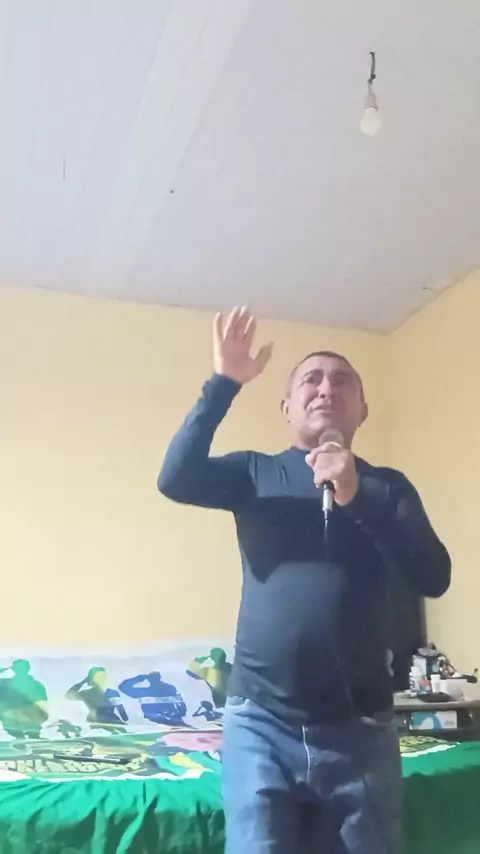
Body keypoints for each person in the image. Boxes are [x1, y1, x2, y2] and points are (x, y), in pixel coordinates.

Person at [157, 306, 451, 854]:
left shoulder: (389, 487)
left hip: (362, 730)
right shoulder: (253, 473)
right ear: (287, 406)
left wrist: (358, 496)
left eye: (342, 381)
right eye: (311, 379)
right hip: (261, 725)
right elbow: (175, 478)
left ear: (363, 409)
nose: (326, 388)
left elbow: (434, 577)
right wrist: (223, 384)